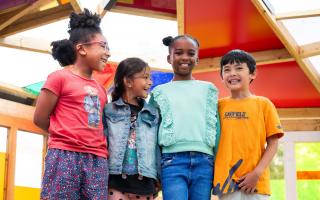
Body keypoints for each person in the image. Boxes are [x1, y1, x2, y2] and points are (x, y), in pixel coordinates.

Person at [33, 9, 111, 199]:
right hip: (64, 155)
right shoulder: (59, 78)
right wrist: (65, 135)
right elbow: (40, 118)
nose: (107, 53)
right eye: (103, 46)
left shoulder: (101, 90)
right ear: (82, 48)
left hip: (97, 160)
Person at [149, 35, 220, 200]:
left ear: (197, 58)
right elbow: (150, 132)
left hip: (205, 162)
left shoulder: (209, 90)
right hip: (171, 162)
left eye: (191, 53)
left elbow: (216, 128)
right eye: (179, 53)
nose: (185, 58)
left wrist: (217, 162)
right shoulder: (159, 92)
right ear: (169, 58)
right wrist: (154, 169)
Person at [213, 49, 284, 200]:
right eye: (227, 70)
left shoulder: (264, 104)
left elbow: (273, 143)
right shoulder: (217, 106)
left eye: (239, 68)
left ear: (252, 74)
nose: (232, 73)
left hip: (256, 184)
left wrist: (257, 173)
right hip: (226, 184)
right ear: (222, 77)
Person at [103, 57, 160, 200]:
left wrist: (159, 177)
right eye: (145, 77)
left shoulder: (153, 113)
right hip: (115, 183)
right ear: (128, 81)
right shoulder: (109, 110)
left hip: (145, 185)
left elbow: (157, 148)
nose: (150, 82)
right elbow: (103, 143)